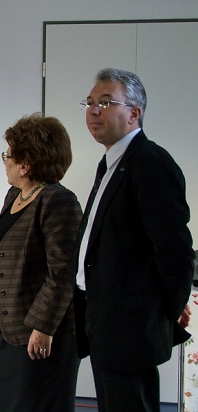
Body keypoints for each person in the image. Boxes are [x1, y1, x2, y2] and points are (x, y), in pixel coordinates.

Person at [73, 68, 195, 412]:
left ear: (134, 113)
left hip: (131, 326)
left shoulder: (151, 162)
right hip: (104, 317)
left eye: (105, 102)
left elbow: (175, 250)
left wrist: (167, 310)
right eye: (90, 102)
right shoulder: (112, 162)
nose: (93, 111)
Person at [0, 113, 82, 412]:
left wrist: (42, 327)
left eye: (8, 156)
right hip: (11, 327)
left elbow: (62, 272)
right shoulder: (15, 194)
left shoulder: (58, 201)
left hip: (42, 334)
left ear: (25, 164)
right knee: (2, 401)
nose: (5, 162)